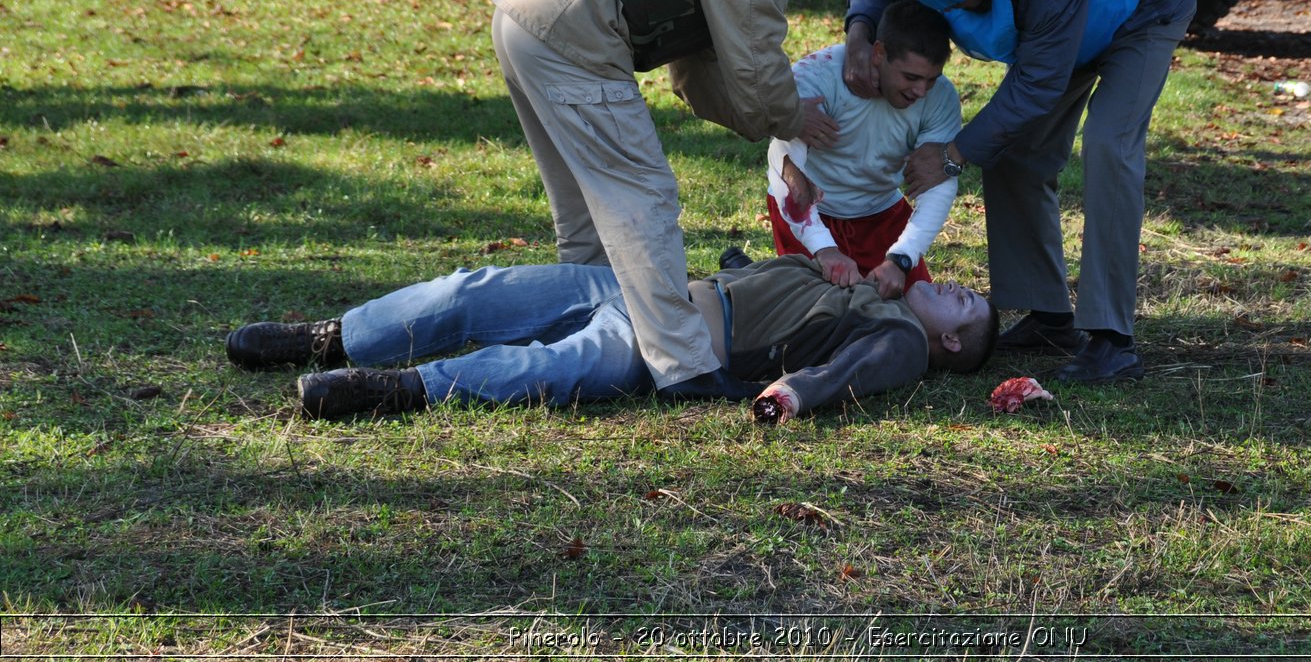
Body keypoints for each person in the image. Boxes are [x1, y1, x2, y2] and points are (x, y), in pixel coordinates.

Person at [491, 0, 879, 402]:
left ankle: (577, 320)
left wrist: (766, 122)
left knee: (584, 213)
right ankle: (686, 366)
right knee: (642, 197)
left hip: (524, 7)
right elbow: (755, 68)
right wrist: (793, 119)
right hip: (573, 31)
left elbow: (694, 72)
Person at [842, 0, 1196, 384]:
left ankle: (1112, 339)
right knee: (1014, 150)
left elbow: (1037, 83)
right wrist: (858, 36)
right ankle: (1048, 314)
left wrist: (951, 155)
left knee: (1109, 144)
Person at [223, 255, 999, 422]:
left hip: (666, 345)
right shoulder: (874, 290)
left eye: (964, 303)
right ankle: (329, 339)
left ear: (953, 346)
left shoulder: (900, 339)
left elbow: (853, 369)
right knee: (477, 288)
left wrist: (791, 396)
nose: (955, 285)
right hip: (646, 287)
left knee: (546, 367)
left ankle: (400, 389)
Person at [765, 0, 962, 300]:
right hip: (813, 212)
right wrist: (824, 247)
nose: (920, 92)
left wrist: (902, 257)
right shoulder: (819, 74)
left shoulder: (942, 97)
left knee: (920, 316)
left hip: (882, 215)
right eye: (910, 77)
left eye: (931, 80)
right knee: (817, 319)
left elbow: (939, 184)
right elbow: (785, 167)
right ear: (879, 53)